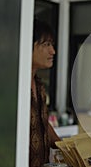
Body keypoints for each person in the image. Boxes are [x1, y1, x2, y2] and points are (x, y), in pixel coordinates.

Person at [30, 19, 61, 166]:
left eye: (52, 45)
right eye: (46, 44)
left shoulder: (39, 86)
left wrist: (66, 148)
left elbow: (42, 123)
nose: (53, 51)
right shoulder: (13, 88)